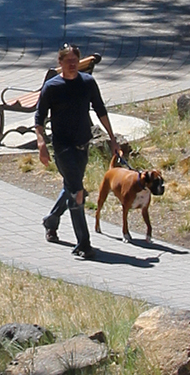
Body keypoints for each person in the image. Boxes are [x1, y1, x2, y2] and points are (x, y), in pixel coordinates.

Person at [35, 44, 120, 260]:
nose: (72, 65)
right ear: (60, 63)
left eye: (75, 61)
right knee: (77, 193)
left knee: (73, 187)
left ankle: (51, 220)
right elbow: (39, 117)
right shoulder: (52, 87)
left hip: (83, 143)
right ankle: (84, 243)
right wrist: (41, 143)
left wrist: (112, 138)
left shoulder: (88, 83)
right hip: (62, 145)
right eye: (67, 61)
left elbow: (100, 109)